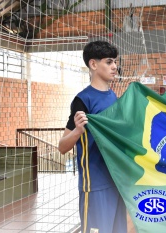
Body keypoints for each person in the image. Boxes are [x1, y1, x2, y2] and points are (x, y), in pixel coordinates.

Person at [58, 41, 127, 233]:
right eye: (109, 62)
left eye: (115, 62)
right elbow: (62, 147)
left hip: (116, 181)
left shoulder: (113, 96)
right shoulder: (83, 99)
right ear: (93, 65)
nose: (115, 67)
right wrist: (78, 131)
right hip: (95, 184)